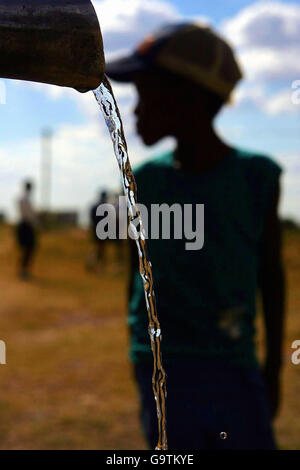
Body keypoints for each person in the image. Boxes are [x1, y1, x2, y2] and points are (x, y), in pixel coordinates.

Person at [106, 23, 286, 450]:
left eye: (146, 94)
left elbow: (271, 276)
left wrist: (273, 369)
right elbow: (138, 280)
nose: (134, 111)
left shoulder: (256, 178)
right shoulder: (144, 182)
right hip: (164, 371)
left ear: (187, 98)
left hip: (233, 366)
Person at [16, 180, 38, 279]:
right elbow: (30, 215)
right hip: (26, 226)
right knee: (28, 249)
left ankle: (23, 270)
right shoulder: (26, 199)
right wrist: (36, 223)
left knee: (27, 249)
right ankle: (23, 271)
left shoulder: (23, 198)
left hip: (24, 225)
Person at [86, 190, 109, 272]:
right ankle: (97, 266)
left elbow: (91, 219)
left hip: (95, 229)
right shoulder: (105, 206)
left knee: (97, 247)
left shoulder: (94, 206)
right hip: (102, 231)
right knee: (101, 249)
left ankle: (91, 263)